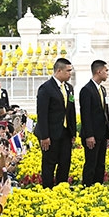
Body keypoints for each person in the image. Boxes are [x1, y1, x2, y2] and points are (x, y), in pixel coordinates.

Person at [34, 58, 77, 188]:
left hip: (65, 133)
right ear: (59, 70)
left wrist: (73, 132)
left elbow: (71, 111)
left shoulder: (69, 88)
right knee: (49, 164)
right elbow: (42, 114)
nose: (70, 73)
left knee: (65, 163)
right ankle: (47, 190)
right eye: (68, 71)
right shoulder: (45, 89)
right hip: (50, 135)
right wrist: (44, 136)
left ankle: (61, 189)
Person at [79, 59, 109, 186]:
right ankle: (87, 187)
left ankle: (98, 187)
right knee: (91, 163)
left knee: (100, 164)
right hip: (92, 135)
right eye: (106, 70)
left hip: (102, 134)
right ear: (98, 71)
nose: (107, 73)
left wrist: (108, 134)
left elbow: (106, 113)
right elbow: (85, 115)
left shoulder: (102, 89)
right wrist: (89, 135)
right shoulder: (86, 90)